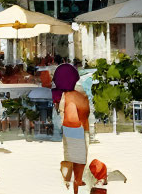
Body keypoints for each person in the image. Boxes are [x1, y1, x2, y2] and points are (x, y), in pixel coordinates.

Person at [55, 64, 90, 193]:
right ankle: (77, 180)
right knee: (80, 159)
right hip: (80, 127)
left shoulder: (65, 96)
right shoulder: (81, 95)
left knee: (71, 156)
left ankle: (70, 181)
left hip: (71, 128)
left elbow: (67, 115)